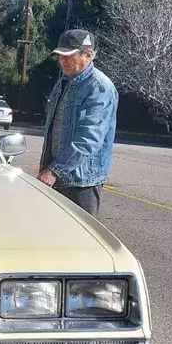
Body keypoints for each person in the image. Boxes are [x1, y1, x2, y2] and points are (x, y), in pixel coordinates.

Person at [37, 29, 118, 216]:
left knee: (80, 241)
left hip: (82, 183)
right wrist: (48, 168)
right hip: (57, 177)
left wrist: (54, 171)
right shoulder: (64, 82)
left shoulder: (99, 87)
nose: (62, 61)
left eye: (68, 56)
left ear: (88, 55)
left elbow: (89, 138)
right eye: (60, 56)